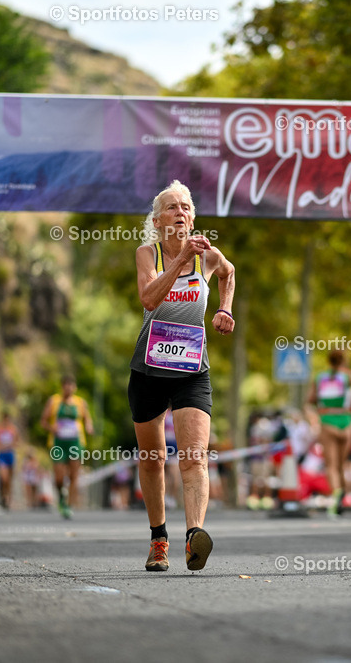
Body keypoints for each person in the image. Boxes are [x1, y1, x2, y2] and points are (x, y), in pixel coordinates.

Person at [129, 180, 235, 572]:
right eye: (172, 207)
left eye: (186, 207)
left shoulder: (208, 256)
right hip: (149, 369)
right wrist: (180, 260)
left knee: (194, 457)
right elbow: (149, 298)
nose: (180, 212)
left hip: (192, 369)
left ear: (193, 216)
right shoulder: (148, 254)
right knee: (153, 458)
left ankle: (194, 537)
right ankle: (159, 539)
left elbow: (229, 272)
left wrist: (224, 308)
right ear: (157, 222)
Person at [308, 350, 351, 516]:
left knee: (331, 466)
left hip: (328, 420)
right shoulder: (348, 376)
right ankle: (342, 495)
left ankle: (336, 496)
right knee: (342, 464)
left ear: (329, 361)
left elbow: (310, 401)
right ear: (344, 360)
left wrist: (314, 415)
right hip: (346, 421)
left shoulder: (320, 377)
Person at [41, 376, 93, 519]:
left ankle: (68, 506)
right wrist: (52, 428)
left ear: (74, 387)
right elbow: (43, 421)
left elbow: (87, 419)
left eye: (71, 385)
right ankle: (61, 496)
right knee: (58, 478)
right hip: (58, 442)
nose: (68, 388)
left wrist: (89, 426)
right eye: (66, 385)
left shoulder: (80, 402)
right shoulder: (53, 401)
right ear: (62, 387)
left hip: (75, 442)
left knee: (73, 476)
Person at [0, 410, 19, 510]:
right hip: (1, 455)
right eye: (5, 419)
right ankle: (3, 496)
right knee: (3, 478)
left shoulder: (13, 429)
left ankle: (8, 497)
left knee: (9, 480)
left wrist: (12, 445)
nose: (6, 421)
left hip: (10, 454)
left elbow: (17, 442)